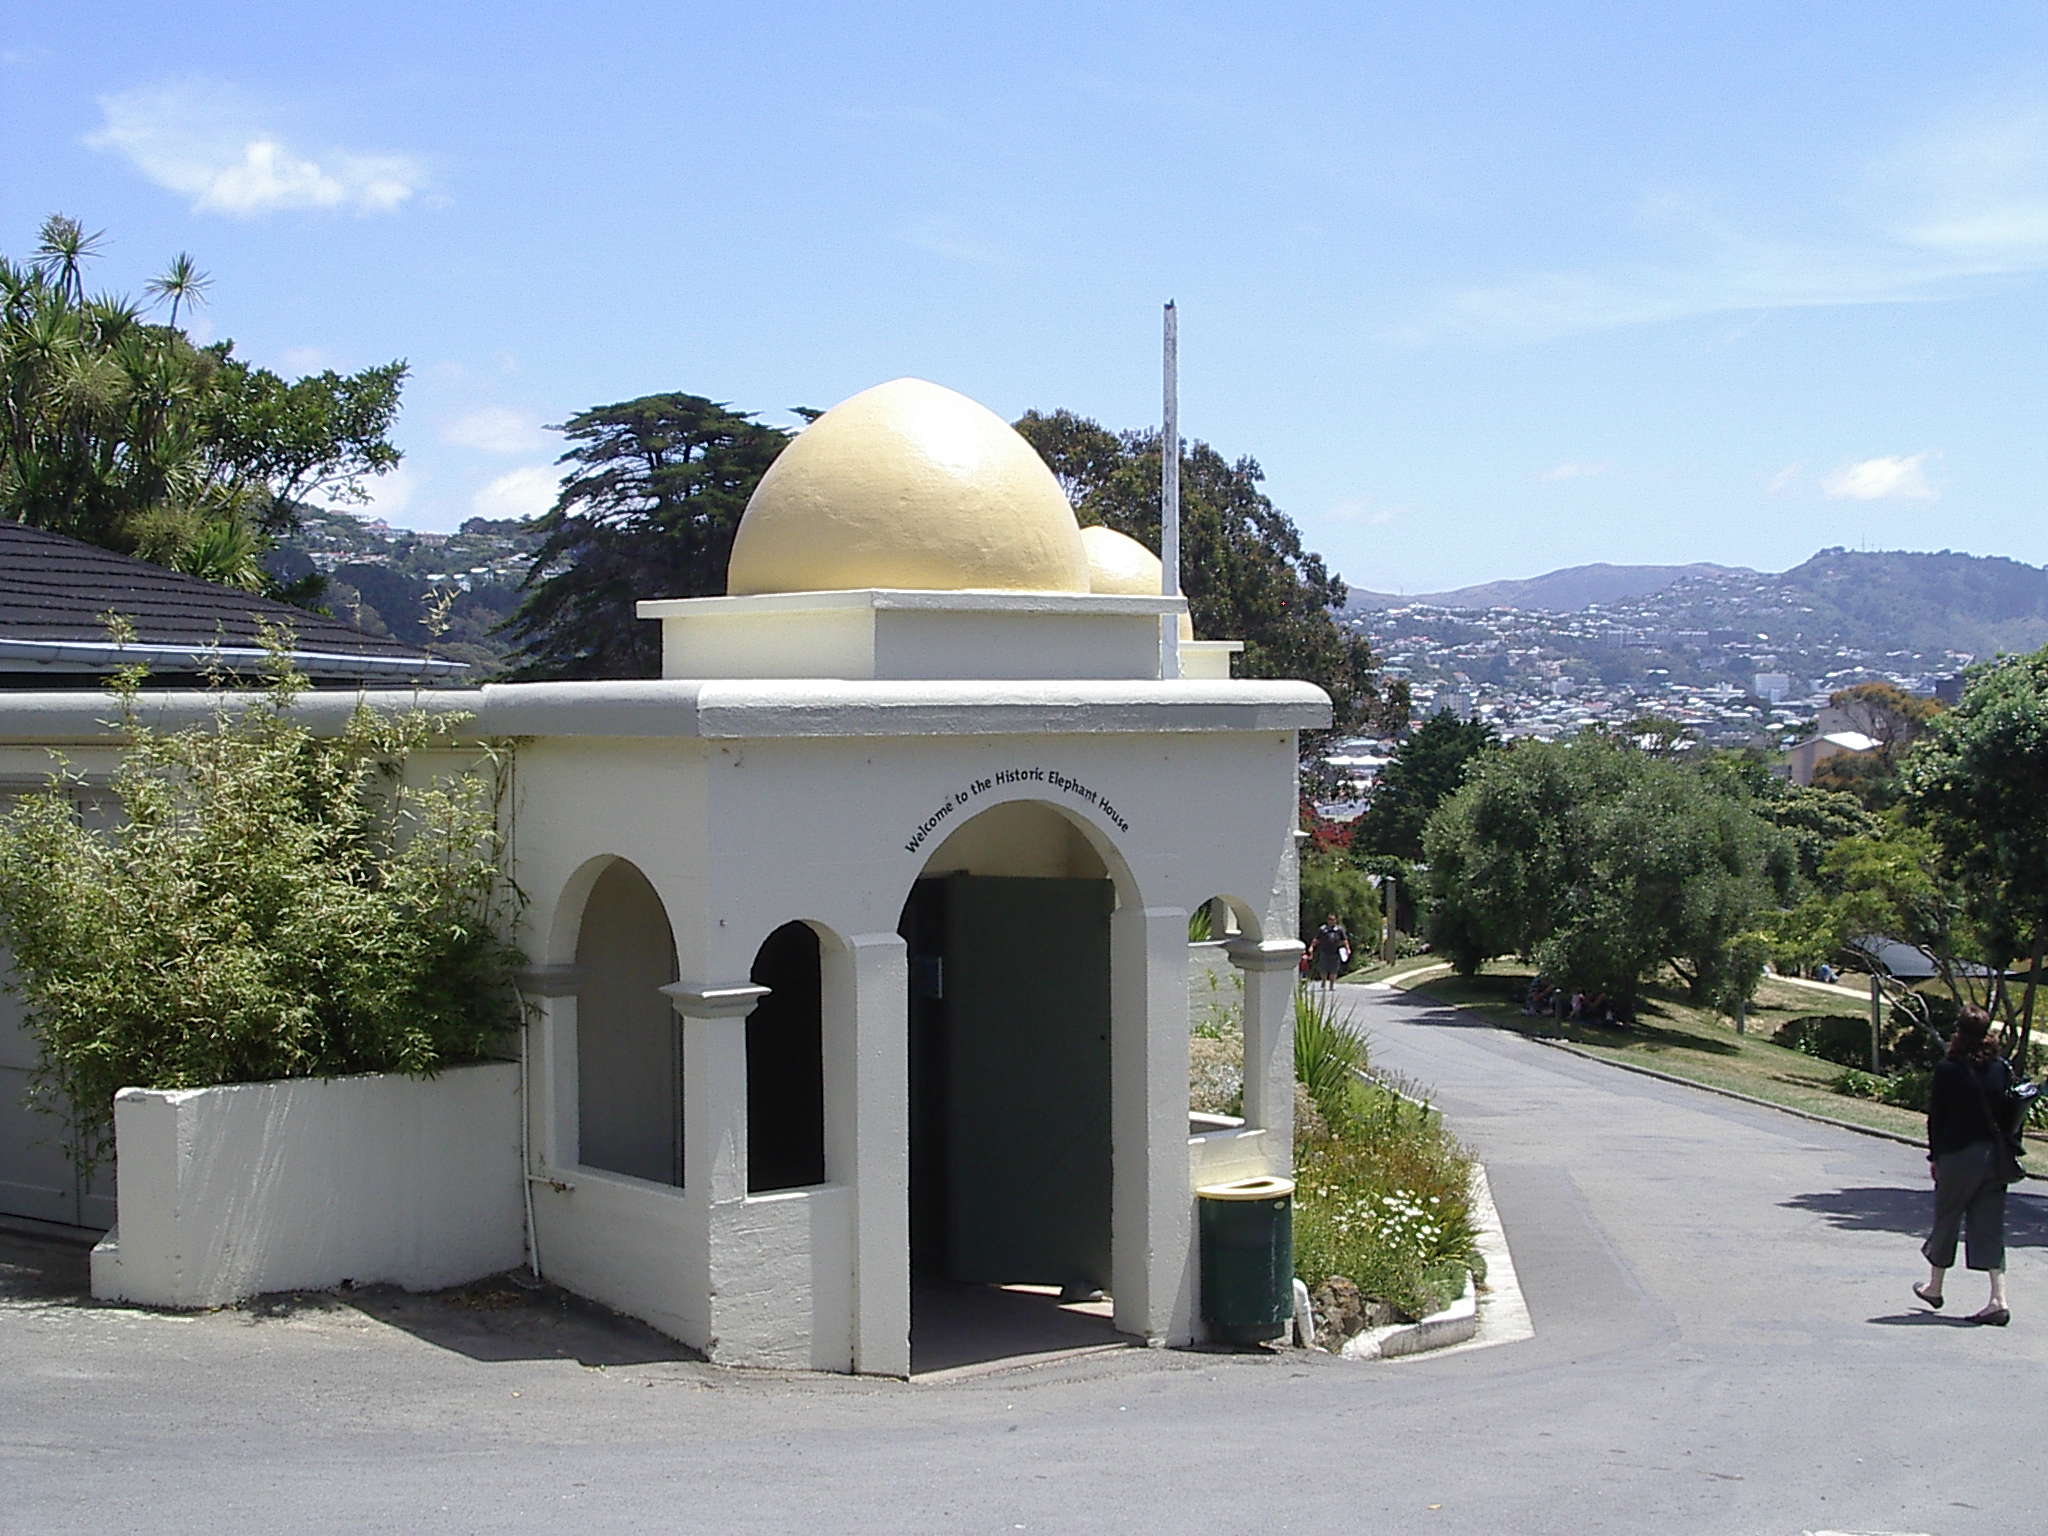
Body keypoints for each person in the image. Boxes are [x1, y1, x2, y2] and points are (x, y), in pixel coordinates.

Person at [1914, 1005, 2015, 1325]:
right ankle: (1998, 1299)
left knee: (1948, 1217)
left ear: (1959, 1031)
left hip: (1958, 1155)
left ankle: (1935, 1286)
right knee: (1990, 1226)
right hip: (1993, 1157)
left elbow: (1937, 1118)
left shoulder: (1949, 1069)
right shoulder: (2000, 1068)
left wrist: (1934, 1156)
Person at [1310, 914, 1349, 990]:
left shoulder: (1339, 930)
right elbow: (1316, 939)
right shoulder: (1322, 929)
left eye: (1333, 920)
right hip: (1324, 952)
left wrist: (1348, 949)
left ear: (1336, 920)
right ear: (1327, 921)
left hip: (1335, 953)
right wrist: (1312, 947)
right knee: (1323, 970)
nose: (1332, 921)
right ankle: (1324, 981)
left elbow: (1344, 940)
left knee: (1334, 970)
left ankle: (1331, 984)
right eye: (1330, 920)